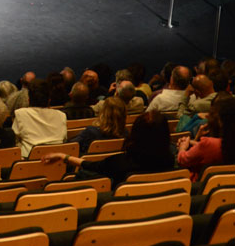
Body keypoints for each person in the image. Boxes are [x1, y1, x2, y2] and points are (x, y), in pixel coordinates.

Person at [42, 110, 175, 188]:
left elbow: (89, 165)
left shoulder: (120, 163)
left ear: (135, 134)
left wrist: (62, 156)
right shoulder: (170, 160)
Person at [177, 96, 235, 181]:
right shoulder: (219, 144)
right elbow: (220, 146)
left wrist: (182, 148)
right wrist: (195, 142)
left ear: (220, 120)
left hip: (199, 188)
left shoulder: (208, 144)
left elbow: (183, 160)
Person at [12, 78, 67, 158]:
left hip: (29, 164)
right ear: (49, 100)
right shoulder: (61, 116)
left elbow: (14, 141)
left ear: (29, 99)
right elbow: (64, 140)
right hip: (57, 163)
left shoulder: (20, 114)